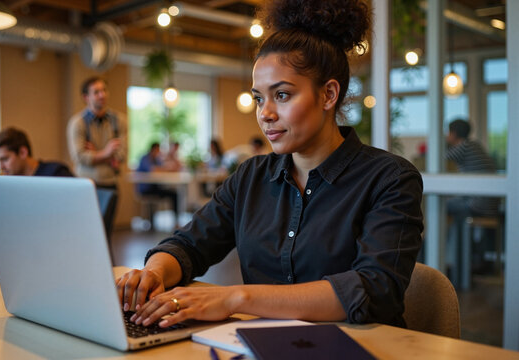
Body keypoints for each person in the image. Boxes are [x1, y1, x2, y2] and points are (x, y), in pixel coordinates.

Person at [116, 0, 423, 330]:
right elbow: (189, 245)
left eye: (283, 95)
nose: (265, 113)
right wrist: (153, 273)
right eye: (259, 98)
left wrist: (235, 299)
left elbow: (374, 290)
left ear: (328, 95)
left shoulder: (389, 179)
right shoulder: (251, 176)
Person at [67, 76, 125, 191]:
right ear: (86, 97)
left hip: (110, 183)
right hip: (84, 183)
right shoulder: (77, 123)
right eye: (96, 92)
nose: (102, 95)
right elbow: (79, 156)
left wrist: (95, 153)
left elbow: (122, 155)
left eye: (104, 90)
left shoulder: (119, 120)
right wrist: (106, 153)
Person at [446, 119, 499, 217]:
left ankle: (440, 233)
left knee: (440, 205)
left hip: (479, 205)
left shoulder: (463, 146)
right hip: (489, 204)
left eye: (448, 132)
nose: (447, 135)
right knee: (451, 202)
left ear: (453, 134)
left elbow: (439, 160)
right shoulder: (473, 145)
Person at [0, 127, 74, 177]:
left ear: (23, 153)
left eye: (5, 159)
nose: (0, 167)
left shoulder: (56, 173)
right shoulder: (11, 183)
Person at [136, 143, 179, 226]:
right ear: (153, 149)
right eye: (157, 150)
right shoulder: (145, 158)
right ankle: (150, 221)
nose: (159, 152)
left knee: (174, 194)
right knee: (155, 197)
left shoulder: (156, 159)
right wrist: (165, 168)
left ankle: (176, 220)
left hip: (155, 188)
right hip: (145, 189)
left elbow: (162, 168)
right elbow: (152, 169)